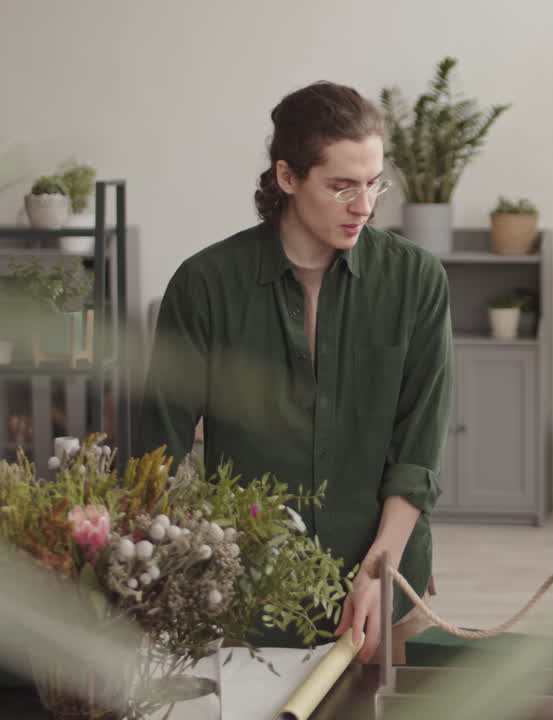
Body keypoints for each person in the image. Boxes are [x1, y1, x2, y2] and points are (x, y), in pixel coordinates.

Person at [139, 81, 454, 662]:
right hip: (247, 598)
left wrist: (380, 570)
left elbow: (418, 451)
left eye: (373, 184)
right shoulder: (205, 285)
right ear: (287, 177)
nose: (364, 206)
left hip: (385, 588)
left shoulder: (417, 281)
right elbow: (155, 450)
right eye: (341, 188)